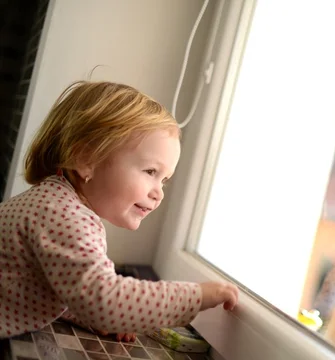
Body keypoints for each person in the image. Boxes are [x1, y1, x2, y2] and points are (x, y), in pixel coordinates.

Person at [0, 80, 238, 342]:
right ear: (86, 160)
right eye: (150, 172)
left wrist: (90, 316)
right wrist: (197, 296)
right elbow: (103, 299)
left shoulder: (53, 202)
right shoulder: (63, 216)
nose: (158, 192)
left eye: (164, 180)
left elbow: (46, 286)